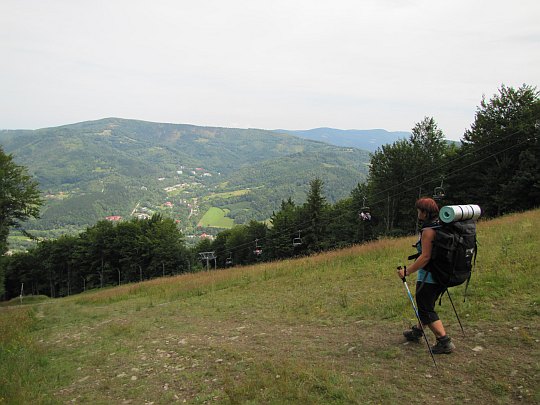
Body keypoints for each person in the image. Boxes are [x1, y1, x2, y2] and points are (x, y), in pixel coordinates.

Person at [396, 197, 455, 354]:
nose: (417, 213)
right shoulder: (441, 225)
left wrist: (406, 272)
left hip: (429, 276)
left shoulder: (428, 231)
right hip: (442, 273)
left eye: (419, 210)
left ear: (425, 212)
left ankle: (444, 341)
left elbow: (425, 257)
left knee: (425, 307)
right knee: (426, 305)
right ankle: (417, 331)